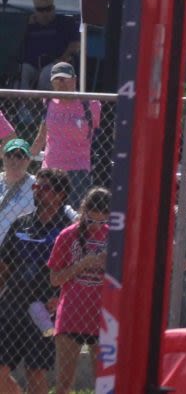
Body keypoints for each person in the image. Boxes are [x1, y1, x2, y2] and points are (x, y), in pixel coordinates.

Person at [0, 168, 72, 394]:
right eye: (36, 187)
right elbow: (4, 265)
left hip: (45, 313)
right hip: (11, 307)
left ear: (61, 195)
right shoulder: (21, 224)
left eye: (45, 188)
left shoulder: (67, 231)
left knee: (35, 371)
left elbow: (74, 272)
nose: (38, 191)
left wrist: (60, 299)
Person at [48, 186, 109, 394]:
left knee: (105, 383)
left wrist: (108, 266)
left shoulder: (115, 237)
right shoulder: (68, 235)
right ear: (83, 212)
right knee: (64, 384)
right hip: (71, 314)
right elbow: (55, 279)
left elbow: (126, 279)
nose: (97, 226)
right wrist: (82, 264)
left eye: (102, 221)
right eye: (92, 220)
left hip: (103, 316)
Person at [31, 62, 101, 205]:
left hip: (78, 172)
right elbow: (41, 136)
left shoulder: (91, 104)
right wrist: (25, 157)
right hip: (49, 170)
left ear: (74, 80)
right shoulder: (48, 102)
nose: (61, 83)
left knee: (74, 215)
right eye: (57, 79)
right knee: (44, 212)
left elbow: (98, 135)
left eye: (65, 79)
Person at [16, 0, 79, 90]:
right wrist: (26, 24)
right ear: (35, 11)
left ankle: (43, 104)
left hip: (55, 62)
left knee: (47, 73)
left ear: (53, 8)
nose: (45, 13)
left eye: (48, 9)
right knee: (21, 71)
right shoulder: (28, 25)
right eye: (41, 10)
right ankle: (24, 104)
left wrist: (63, 58)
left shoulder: (64, 22)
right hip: (32, 65)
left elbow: (75, 44)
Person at [0, 139, 36, 247]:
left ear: (28, 160)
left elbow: (61, 207)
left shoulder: (36, 185)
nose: (14, 159)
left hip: (16, 247)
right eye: (9, 155)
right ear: (3, 157)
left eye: (20, 156)